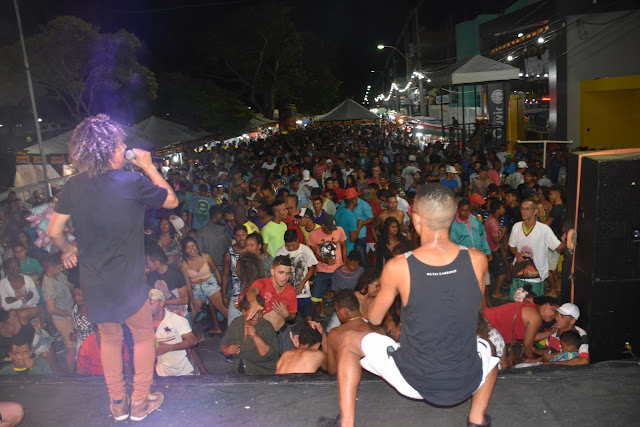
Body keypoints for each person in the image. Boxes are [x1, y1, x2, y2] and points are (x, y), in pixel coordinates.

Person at [324, 184, 499, 427]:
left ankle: (346, 423)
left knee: (347, 342)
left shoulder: (398, 266)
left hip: (415, 379)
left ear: (416, 219)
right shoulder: (478, 260)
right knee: (488, 351)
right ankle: (476, 420)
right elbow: (472, 308)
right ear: (453, 217)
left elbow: (373, 319)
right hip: (466, 378)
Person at [47, 114, 177, 422]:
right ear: (107, 149)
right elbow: (171, 201)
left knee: (109, 339)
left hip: (95, 282)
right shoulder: (131, 181)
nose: (123, 149)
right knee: (143, 335)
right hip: (128, 281)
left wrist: (67, 249)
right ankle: (140, 402)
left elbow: (53, 231)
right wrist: (148, 166)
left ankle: (118, 404)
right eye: (119, 144)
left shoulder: (74, 185)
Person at [508, 198, 566, 300]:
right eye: (522, 208)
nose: (523, 211)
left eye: (527, 209)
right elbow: (511, 245)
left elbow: (559, 248)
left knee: (534, 303)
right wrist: (516, 254)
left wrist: (565, 241)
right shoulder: (516, 227)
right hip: (519, 271)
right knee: (517, 302)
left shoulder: (544, 229)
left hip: (536, 274)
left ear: (535, 211)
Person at [241, 255, 297, 354]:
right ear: (272, 271)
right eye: (281, 272)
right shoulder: (262, 283)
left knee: (286, 362)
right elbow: (251, 291)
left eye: (288, 273)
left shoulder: (291, 291)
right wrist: (254, 303)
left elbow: (292, 316)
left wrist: (286, 315)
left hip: (283, 334)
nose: (285, 277)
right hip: (263, 335)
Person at [483, 296, 559, 362]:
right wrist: (533, 361)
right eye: (554, 311)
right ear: (546, 305)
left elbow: (530, 337)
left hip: (484, 323)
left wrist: (550, 332)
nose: (555, 316)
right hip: (485, 327)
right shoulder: (536, 317)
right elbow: (527, 345)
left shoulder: (532, 309)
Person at [219, 295, 280, 374]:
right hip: (241, 372)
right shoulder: (236, 323)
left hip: (262, 373)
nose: (257, 317)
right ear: (244, 312)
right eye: (253, 313)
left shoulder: (266, 327)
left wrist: (255, 337)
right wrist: (227, 350)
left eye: (260, 312)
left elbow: (268, 354)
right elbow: (223, 345)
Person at [179, 237, 228, 334]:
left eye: (193, 245)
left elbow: (216, 270)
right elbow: (188, 285)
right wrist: (193, 302)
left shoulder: (206, 257)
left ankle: (239, 333)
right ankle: (196, 336)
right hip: (196, 291)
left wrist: (222, 290)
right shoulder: (184, 264)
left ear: (196, 246)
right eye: (188, 247)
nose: (191, 249)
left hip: (211, 286)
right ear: (185, 250)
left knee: (226, 312)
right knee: (189, 318)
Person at [149, 289, 198, 376]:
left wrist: (169, 347)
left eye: (151, 303)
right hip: (161, 373)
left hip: (183, 373)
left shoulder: (175, 320)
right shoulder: (145, 323)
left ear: (161, 303)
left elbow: (193, 341)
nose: (147, 307)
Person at [307, 215, 347, 320]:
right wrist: (324, 260)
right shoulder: (314, 234)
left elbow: (344, 246)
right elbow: (312, 254)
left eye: (333, 229)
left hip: (338, 269)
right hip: (322, 271)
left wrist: (344, 263)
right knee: (314, 299)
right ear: (323, 226)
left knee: (341, 297)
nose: (331, 231)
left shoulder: (339, 230)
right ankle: (310, 322)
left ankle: (341, 319)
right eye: (329, 229)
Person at [41, 253, 76, 373]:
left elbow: (70, 286)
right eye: (59, 268)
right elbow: (52, 309)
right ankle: (69, 374)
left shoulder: (59, 275)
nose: (61, 270)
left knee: (75, 344)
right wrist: (69, 314)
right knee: (72, 347)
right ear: (50, 267)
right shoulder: (48, 284)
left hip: (71, 313)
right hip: (62, 319)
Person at [276, 230, 317, 325]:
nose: (290, 248)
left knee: (309, 320)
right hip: (286, 294)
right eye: (288, 245)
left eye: (293, 245)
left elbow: (311, 269)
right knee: (285, 320)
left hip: (304, 293)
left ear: (298, 240)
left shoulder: (306, 250)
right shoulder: (280, 252)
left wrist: (302, 283)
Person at [145, 245, 189, 320]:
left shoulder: (176, 274)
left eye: (148, 263)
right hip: (163, 315)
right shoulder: (151, 275)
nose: (147, 266)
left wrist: (164, 302)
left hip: (180, 313)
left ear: (156, 262)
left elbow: (184, 299)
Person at [222, 225, 249, 323]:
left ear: (247, 235)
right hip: (236, 294)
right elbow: (225, 275)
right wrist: (223, 295)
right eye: (238, 235)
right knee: (233, 324)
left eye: (243, 235)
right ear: (234, 237)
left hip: (252, 292)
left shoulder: (251, 250)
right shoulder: (229, 253)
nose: (241, 238)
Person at [542, 185, 565, 298]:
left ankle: (553, 290)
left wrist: (539, 214)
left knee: (549, 268)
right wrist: (547, 211)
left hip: (553, 241)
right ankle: (557, 286)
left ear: (557, 194)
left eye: (551, 194)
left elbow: (546, 225)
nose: (549, 196)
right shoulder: (561, 208)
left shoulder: (557, 209)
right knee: (552, 267)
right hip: (556, 238)